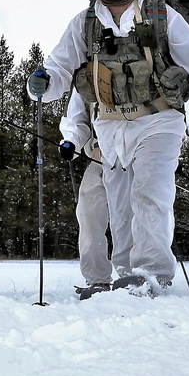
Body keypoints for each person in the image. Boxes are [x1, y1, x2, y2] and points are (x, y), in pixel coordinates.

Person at [27, 0, 189, 294]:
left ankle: (153, 274)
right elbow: (59, 67)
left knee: (150, 192)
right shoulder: (84, 23)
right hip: (109, 125)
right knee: (119, 205)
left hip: (159, 119)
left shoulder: (162, 16)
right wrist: (44, 81)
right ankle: (125, 275)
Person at [59, 91, 113, 299]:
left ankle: (137, 276)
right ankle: (97, 279)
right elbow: (77, 121)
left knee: (128, 218)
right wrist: (70, 142)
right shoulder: (85, 77)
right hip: (99, 160)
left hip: (134, 160)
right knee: (88, 214)